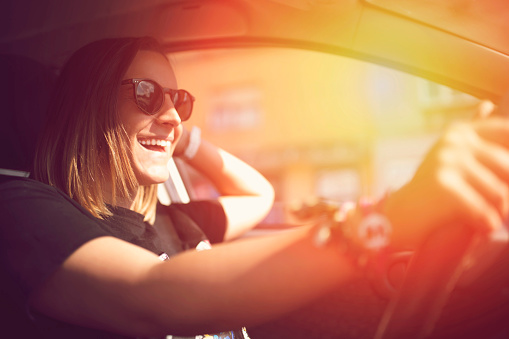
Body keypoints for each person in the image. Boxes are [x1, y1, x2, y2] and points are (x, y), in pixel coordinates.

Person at [1, 36, 509, 339]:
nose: (172, 112)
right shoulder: (25, 211)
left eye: (179, 98)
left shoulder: (176, 222)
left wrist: (181, 136)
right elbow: (149, 297)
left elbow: (258, 195)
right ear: (87, 104)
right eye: (146, 94)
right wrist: (386, 219)